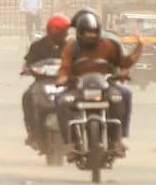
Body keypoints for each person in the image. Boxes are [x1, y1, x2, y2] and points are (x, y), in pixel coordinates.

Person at [56, 9, 143, 158]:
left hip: (105, 86)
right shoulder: (71, 46)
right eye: (88, 33)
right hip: (78, 87)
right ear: (80, 33)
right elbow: (64, 66)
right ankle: (71, 143)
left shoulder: (109, 45)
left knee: (125, 95)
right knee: (60, 100)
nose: (91, 36)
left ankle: (118, 140)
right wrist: (62, 78)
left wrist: (139, 47)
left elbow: (124, 63)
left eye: (94, 32)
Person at [20, 14, 70, 151]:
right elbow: (27, 64)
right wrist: (27, 70)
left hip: (64, 83)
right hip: (42, 82)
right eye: (56, 31)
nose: (59, 34)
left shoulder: (70, 47)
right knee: (27, 97)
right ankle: (32, 132)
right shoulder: (37, 46)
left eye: (62, 31)